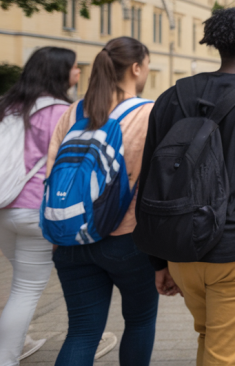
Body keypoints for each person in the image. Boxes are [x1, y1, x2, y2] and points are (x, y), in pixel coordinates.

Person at [139, 6, 235, 366]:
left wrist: (159, 261)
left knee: (210, 339)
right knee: (226, 357)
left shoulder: (170, 98)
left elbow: (149, 182)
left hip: (182, 252)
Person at [46, 37, 157, 365]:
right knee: (139, 322)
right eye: (147, 66)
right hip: (128, 240)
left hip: (70, 238)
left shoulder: (73, 112)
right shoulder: (148, 113)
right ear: (135, 68)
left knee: (82, 331)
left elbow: (52, 174)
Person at [0, 47, 77, 365]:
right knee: (26, 289)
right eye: (74, 67)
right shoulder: (63, 112)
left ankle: (16, 340)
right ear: (58, 72)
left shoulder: (8, 107)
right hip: (37, 211)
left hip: (4, 207)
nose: (78, 72)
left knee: (21, 283)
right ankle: (6, 357)